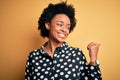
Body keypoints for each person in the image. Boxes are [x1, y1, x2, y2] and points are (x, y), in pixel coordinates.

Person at [25, 1, 102, 80]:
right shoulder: (33, 57)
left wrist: (93, 60)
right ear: (48, 25)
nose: (65, 30)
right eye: (59, 24)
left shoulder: (76, 54)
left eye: (68, 27)